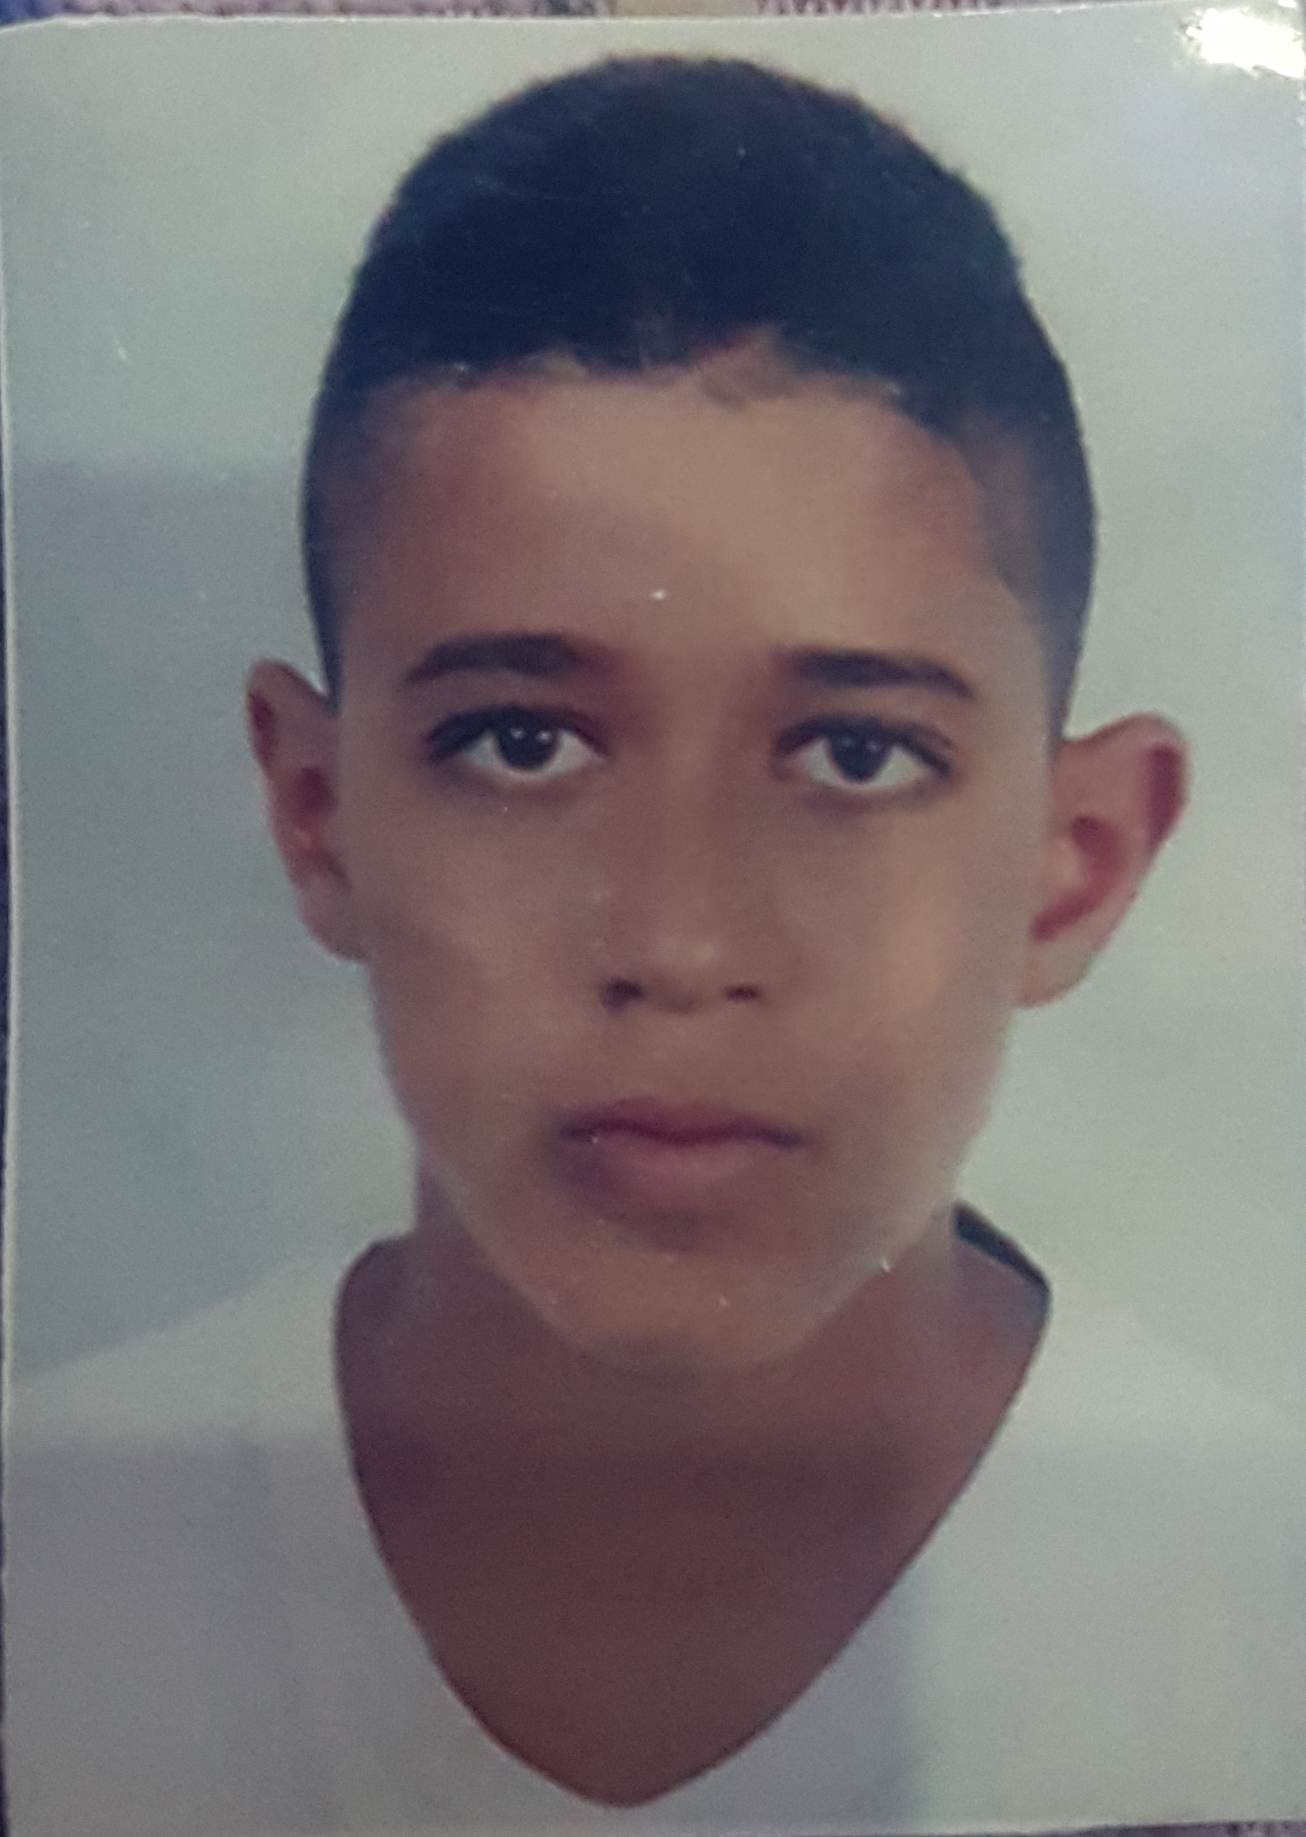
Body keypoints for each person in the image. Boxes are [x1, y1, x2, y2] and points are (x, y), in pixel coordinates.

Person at [8, 53, 1305, 1837]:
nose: (681, 945)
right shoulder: (50, 1550)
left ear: (1073, 865)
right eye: (518, 741)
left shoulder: (1264, 1610)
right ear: (317, 812)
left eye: (857, 755)